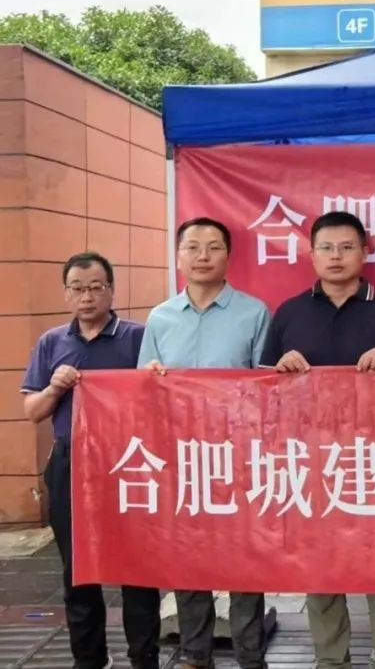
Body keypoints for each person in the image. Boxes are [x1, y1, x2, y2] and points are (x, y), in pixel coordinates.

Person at [259, 211, 375, 669]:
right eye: (326, 248)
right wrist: (281, 369)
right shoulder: (289, 313)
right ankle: (331, 661)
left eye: (347, 247)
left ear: (364, 253)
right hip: (311, 459)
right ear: (311, 255)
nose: (336, 256)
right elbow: (262, 388)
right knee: (321, 569)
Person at [138, 217, 271, 669]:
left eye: (213, 247)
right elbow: (143, 387)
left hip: (239, 454)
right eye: (192, 247)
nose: (202, 256)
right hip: (180, 456)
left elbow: (267, 387)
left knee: (245, 556)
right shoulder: (160, 318)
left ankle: (251, 654)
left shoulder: (254, 313)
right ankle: (195, 653)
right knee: (187, 553)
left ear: (228, 256)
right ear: (178, 256)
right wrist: (151, 377)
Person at [21, 252, 161, 669]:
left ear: (111, 290)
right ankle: (89, 658)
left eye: (95, 287)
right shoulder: (51, 343)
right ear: (66, 294)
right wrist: (54, 388)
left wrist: (154, 376)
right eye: (77, 289)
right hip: (71, 465)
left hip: (129, 464)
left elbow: (159, 397)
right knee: (78, 567)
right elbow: (33, 411)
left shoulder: (137, 337)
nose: (87, 297)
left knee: (138, 565)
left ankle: (144, 656)